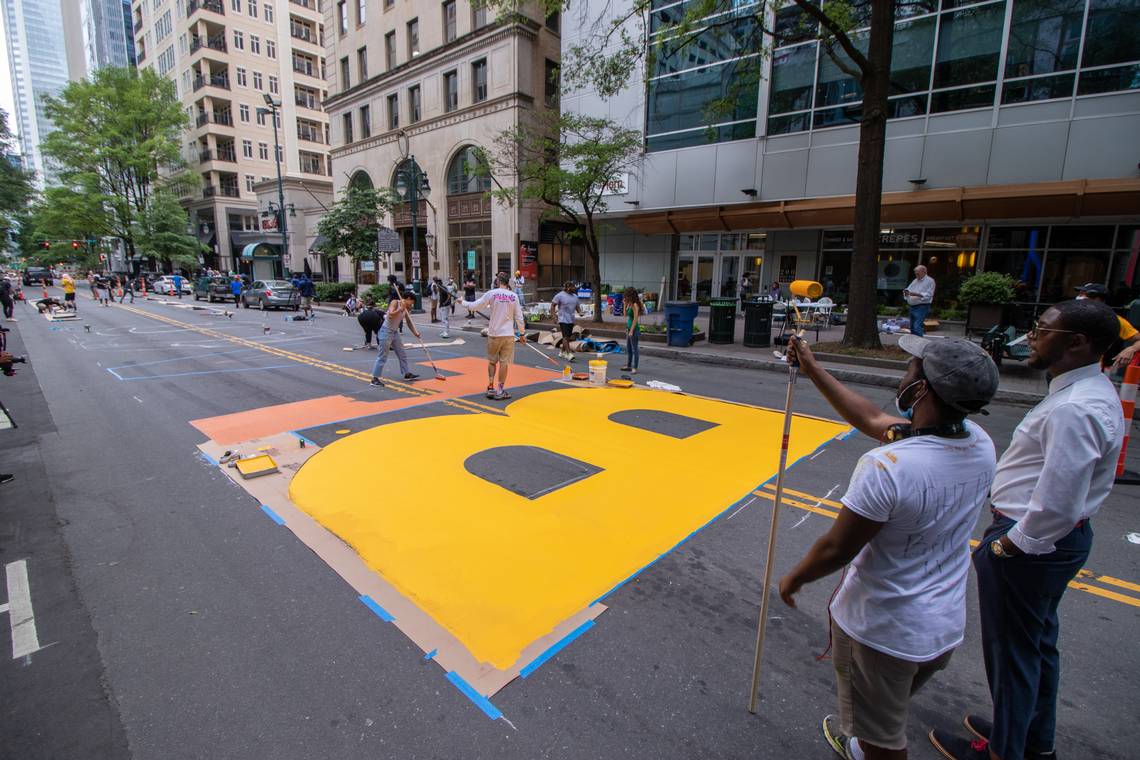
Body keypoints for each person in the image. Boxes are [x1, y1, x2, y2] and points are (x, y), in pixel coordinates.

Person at [780, 335, 1000, 760]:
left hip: (883, 634)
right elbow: (874, 419)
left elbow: (836, 549)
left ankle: (868, 748)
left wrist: (795, 578)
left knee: (884, 740)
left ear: (921, 390)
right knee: (885, 712)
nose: (904, 376)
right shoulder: (978, 441)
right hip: (940, 628)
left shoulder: (889, 467)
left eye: (910, 371)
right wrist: (813, 368)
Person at [927, 299, 1124, 760]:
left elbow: (1058, 500)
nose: (1032, 335)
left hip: (1031, 543)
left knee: (1013, 655)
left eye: (1043, 328)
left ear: (1076, 342)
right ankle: (1032, 738)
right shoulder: (1087, 391)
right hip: (1052, 541)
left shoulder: (1074, 408)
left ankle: (1003, 750)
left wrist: (1009, 548)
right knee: (1037, 646)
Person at [457, 271, 525, 400]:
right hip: (508, 335)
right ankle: (500, 390)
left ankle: (490, 386)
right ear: (508, 282)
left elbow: (474, 306)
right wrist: (522, 334)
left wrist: (462, 302)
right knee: (504, 363)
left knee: (492, 362)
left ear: (498, 281)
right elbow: (519, 317)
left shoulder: (492, 294)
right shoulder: (513, 296)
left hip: (494, 333)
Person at [1073, 282, 1140, 368]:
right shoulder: (1067, 313)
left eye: (1084, 294)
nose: (1080, 297)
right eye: (1080, 293)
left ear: (1097, 299)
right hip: (1059, 367)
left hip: (1089, 370)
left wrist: (1131, 349)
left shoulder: (1113, 320)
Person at [369, 289, 421, 386]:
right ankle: (375, 379)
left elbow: (409, 322)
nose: (412, 305)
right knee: (382, 356)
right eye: (412, 303)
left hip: (395, 332)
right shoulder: (395, 302)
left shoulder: (406, 308)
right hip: (386, 331)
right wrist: (400, 309)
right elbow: (390, 316)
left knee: (402, 354)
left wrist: (415, 332)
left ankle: (406, 373)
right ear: (408, 299)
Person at [550, 281, 580, 361]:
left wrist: (580, 312)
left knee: (568, 337)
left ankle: (562, 352)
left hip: (571, 319)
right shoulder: (560, 295)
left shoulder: (575, 296)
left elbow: (577, 306)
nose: (575, 288)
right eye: (573, 287)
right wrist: (554, 316)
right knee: (565, 336)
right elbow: (553, 306)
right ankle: (569, 354)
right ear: (568, 287)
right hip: (563, 319)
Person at [903, 265, 935, 337]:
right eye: (915, 273)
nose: (916, 275)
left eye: (917, 273)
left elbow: (929, 295)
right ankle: (913, 343)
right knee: (912, 327)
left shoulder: (930, 281)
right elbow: (908, 289)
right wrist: (906, 292)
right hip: (913, 306)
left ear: (924, 272)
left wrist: (916, 294)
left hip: (922, 306)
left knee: (917, 326)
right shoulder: (915, 280)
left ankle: (919, 343)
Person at [620, 287, 643, 374]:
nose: (625, 297)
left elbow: (635, 319)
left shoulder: (635, 305)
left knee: (634, 349)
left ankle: (635, 367)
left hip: (634, 329)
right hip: (628, 328)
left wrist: (631, 331)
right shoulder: (629, 304)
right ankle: (629, 365)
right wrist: (625, 304)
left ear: (630, 295)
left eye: (626, 295)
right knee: (629, 349)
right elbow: (625, 315)